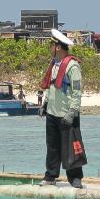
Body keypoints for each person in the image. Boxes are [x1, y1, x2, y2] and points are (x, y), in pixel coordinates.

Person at [39, 29, 87, 188]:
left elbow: (77, 91)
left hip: (67, 114)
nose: (50, 48)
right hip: (52, 113)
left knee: (72, 147)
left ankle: (75, 177)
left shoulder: (72, 66)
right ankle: (51, 175)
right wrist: (45, 104)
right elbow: (51, 86)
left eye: (51, 45)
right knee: (52, 146)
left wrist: (73, 112)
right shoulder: (53, 64)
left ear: (58, 47)